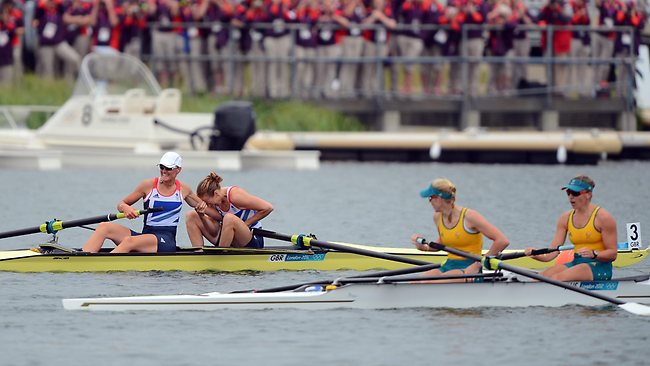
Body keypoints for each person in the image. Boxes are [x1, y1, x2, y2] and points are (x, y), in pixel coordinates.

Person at [82, 152, 207, 253]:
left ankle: (100, 266)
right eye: (161, 167)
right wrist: (126, 208)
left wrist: (214, 211)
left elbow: (204, 207)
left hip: (166, 240)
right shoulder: (147, 186)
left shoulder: (184, 189)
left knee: (129, 241)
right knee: (104, 227)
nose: (163, 171)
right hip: (146, 235)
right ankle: (83, 258)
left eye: (168, 168)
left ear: (178, 170)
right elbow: (121, 204)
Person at [411, 178, 509, 282]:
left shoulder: (470, 217)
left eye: (430, 198)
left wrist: (478, 265)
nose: (429, 201)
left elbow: (502, 241)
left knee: (433, 283)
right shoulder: (437, 217)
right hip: (448, 265)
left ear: (439, 198)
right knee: (415, 282)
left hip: (469, 269)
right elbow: (443, 242)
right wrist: (424, 247)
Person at [525, 175, 618, 281]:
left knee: (556, 278)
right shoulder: (565, 218)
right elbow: (550, 255)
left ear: (588, 194)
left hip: (599, 266)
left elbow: (613, 254)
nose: (570, 197)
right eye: (568, 192)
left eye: (575, 193)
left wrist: (594, 254)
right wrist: (535, 254)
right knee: (538, 278)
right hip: (576, 262)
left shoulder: (603, 218)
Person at [186, 172, 273, 249]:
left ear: (216, 194)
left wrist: (246, 224)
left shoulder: (235, 196)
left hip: (252, 239)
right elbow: (213, 231)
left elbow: (268, 208)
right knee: (192, 215)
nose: (207, 205)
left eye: (207, 202)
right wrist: (202, 217)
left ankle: (221, 256)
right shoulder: (215, 202)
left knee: (229, 218)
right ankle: (198, 253)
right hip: (230, 240)